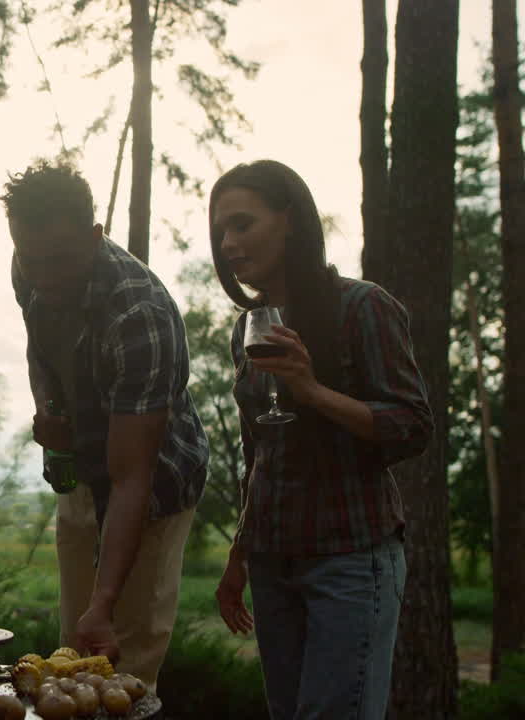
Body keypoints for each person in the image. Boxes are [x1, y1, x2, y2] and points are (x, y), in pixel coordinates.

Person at [208, 160, 433, 720]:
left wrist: (311, 391)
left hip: (350, 561)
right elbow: (259, 454)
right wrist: (239, 558)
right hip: (273, 562)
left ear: (288, 220)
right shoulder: (249, 328)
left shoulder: (363, 307)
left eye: (242, 224)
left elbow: (412, 425)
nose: (229, 244)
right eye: (221, 232)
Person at [2, 160, 209, 691]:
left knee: (124, 665)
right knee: (74, 656)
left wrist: (104, 602)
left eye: (61, 261)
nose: (45, 280)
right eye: (32, 261)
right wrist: (49, 406)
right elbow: (40, 348)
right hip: (83, 472)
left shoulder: (139, 314)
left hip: (150, 486)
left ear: (96, 236)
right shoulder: (28, 266)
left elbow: (132, 479)